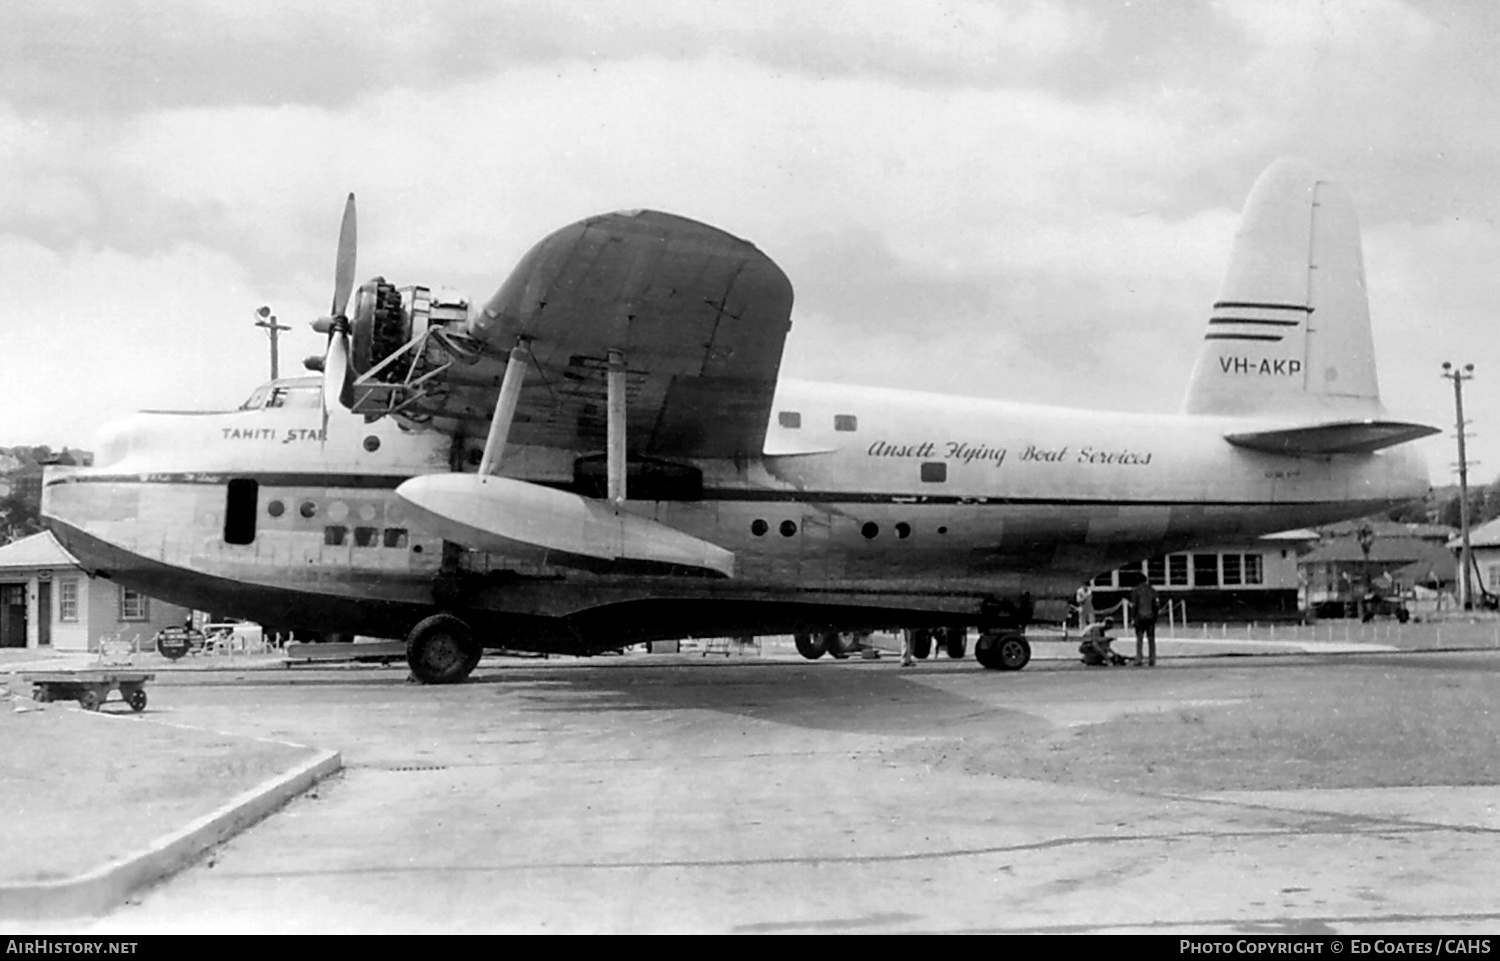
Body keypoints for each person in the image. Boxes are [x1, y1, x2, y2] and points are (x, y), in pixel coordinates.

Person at [1130, 575, 1161, 666]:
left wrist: (1133, 617)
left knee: (1139, 638)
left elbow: (1134, 605)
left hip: (1139, 617)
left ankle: (1139, 658)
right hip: (1150, 617)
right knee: (1151, 638)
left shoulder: (1136, 591)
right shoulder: (1152, 590)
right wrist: (1155, 616)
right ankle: (1152, 658)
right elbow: (1157, 605)